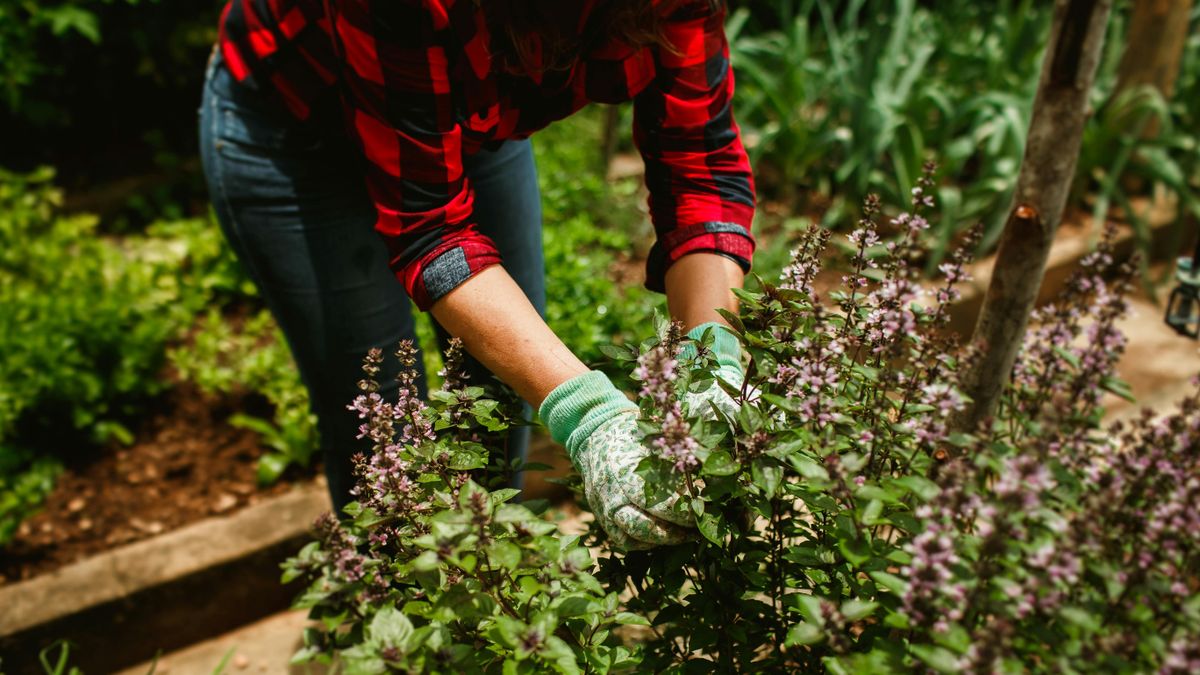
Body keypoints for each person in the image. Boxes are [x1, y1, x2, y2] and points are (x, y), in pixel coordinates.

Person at [198, 0, 756, 549]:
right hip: (302, 136)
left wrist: (711, 361)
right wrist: (593, 418)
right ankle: (400, 612)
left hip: (460, 118)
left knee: (500, 392)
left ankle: (488, 593)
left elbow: (699, 167)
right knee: (386, 431)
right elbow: (432, 227)